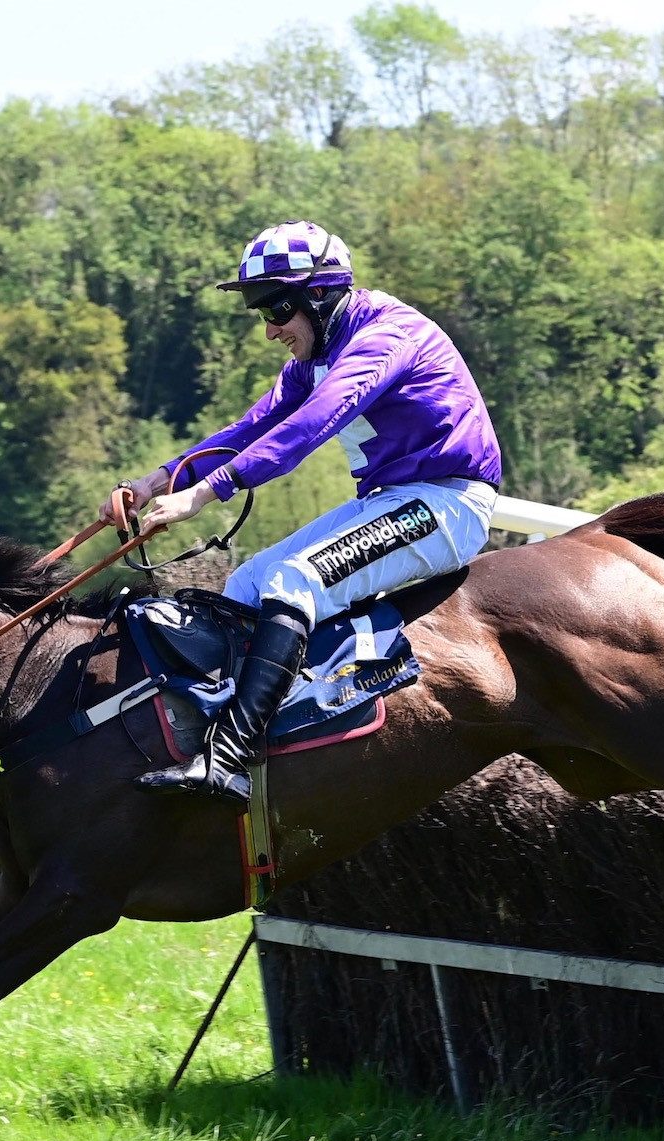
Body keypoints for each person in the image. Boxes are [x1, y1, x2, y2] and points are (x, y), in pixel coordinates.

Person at [104, 219, 503, 809]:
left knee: (294, 580)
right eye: (260, 312)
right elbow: (252, 427)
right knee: (247, 582)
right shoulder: (319, 347)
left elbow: (309, 426)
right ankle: (229, 742)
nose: (270, 330)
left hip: (447, 503)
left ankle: (231, 759)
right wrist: (161, 477)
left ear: (320, 295)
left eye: (277, 309)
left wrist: (203, 495)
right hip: (394, 501)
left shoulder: (385, 336)